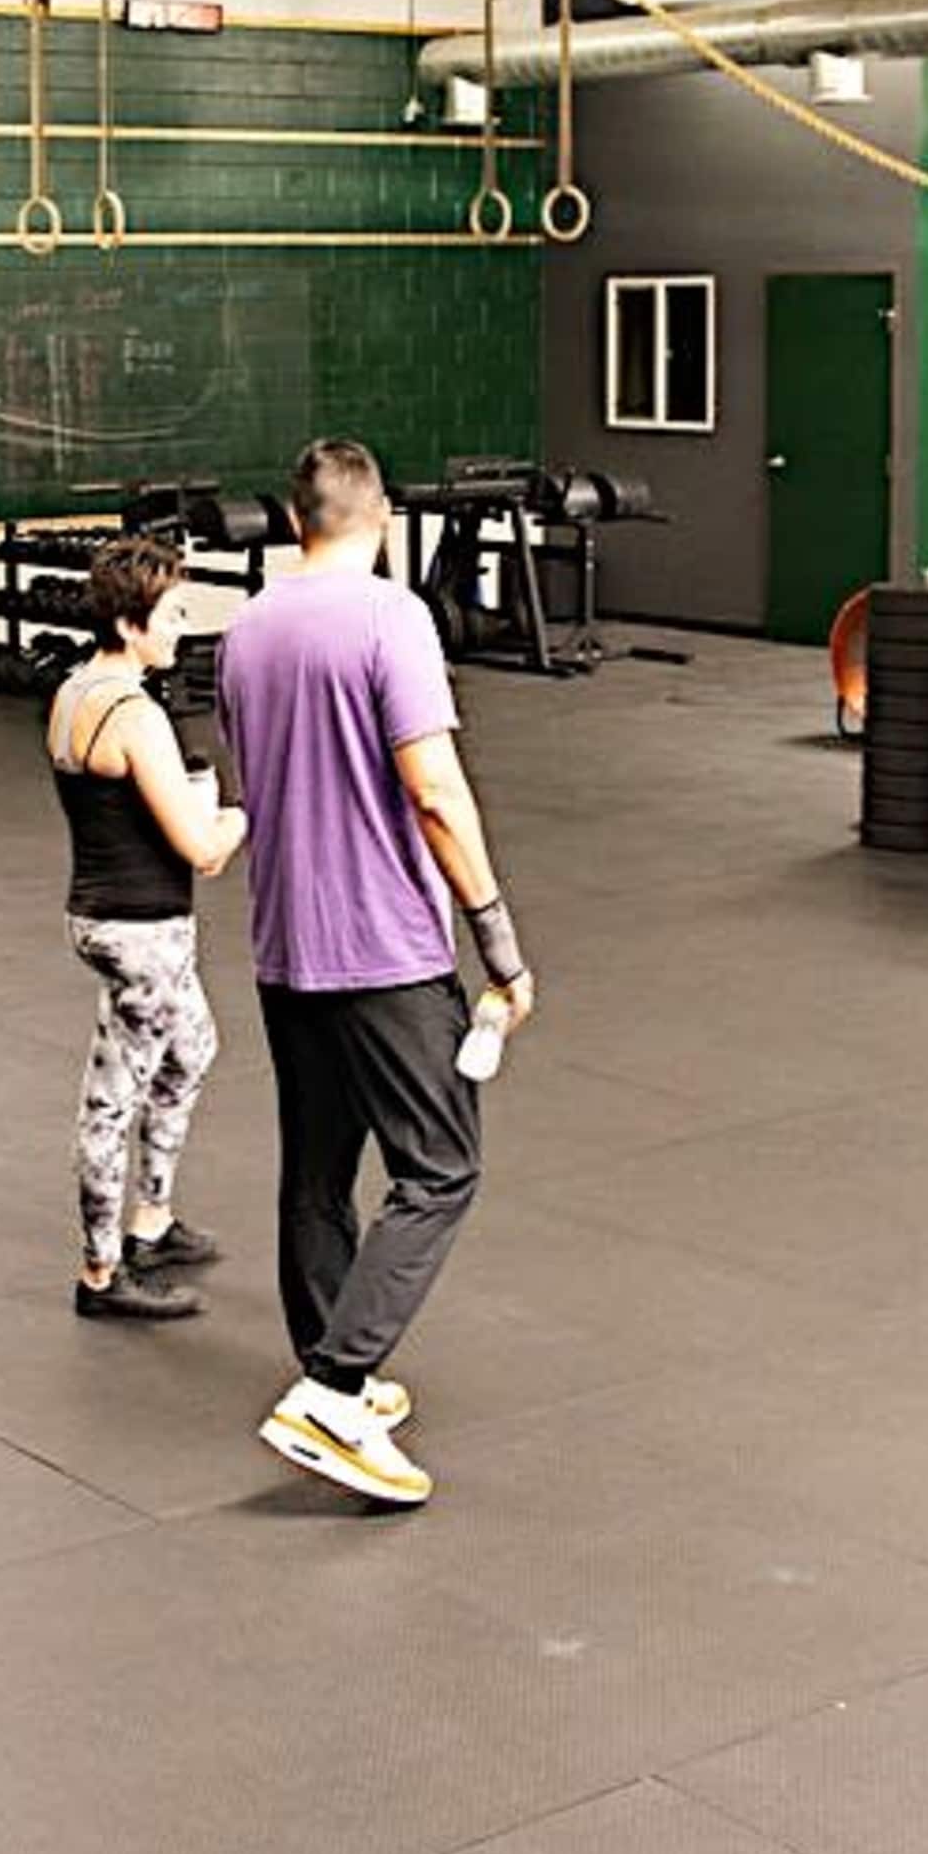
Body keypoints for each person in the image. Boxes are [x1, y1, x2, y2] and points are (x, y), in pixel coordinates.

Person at [217, 439, 532, 1508]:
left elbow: (253, 778)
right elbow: (434, 788)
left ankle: (326, 1363)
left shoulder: (245, 628)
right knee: (439, 1168)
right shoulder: (393, 616)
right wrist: (498, 937)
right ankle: (337, 1389)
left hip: (283, 944)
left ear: (296, 518)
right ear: (380, 513)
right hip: (386, 950)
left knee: (316, 1165)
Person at [45, 535, 246, 1322]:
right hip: (142, 930)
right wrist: (243, 811)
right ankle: (101, 1274)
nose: (181, 628)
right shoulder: (135, 714)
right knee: (110, 1100)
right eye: (171, 613)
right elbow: (201, 848)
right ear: (130, 625)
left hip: (104, 917)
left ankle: (152, 1221)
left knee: (192, 1047)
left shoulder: (72, 690)